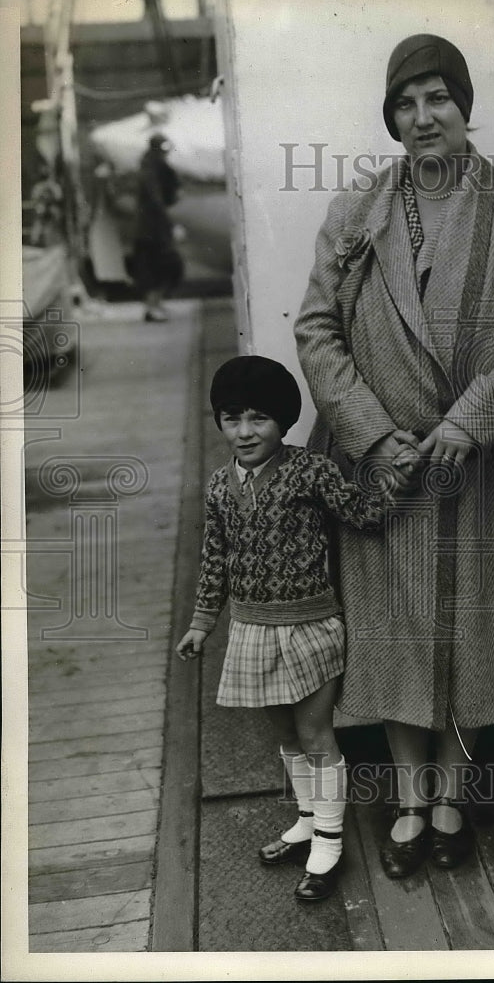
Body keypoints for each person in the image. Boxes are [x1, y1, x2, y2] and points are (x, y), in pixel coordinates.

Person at [295, 34, 494, 878]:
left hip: (473, 465)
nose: (423, 119)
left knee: (468, 628)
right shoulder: (357, 209)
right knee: (393, 632)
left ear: (463, 107)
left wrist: (467, 422)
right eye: (405, 104)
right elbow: (316, 330)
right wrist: (374, 436)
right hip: (381, 467)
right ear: (391, 118)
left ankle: (452, 795)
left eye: (437, 100)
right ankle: (409, 801)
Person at [175, 356, 395, 901]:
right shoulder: (221, 487)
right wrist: (203, 623)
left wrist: (396, 475)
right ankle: (305, 818)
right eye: (231, 419)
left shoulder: (309, 471)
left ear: (284, 421)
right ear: (220, 422)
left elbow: (363, 513)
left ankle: (329, 838)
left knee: (318, 735)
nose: (245, 432)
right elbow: (215, 559)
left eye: (259, 419)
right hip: (251, 630)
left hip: (311, 626)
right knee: (284, 736)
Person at [131, 132, 184, 322]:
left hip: (150, 228)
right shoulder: (151, 170)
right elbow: (156, 202)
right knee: (160, 267)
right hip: (152, 229)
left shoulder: (151, 167)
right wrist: (169, 225)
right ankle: (152, 306)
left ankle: (154, 305)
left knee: (157, 267)